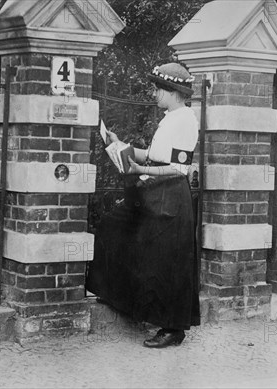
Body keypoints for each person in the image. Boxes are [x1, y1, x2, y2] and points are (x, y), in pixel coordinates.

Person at [86, 63, 200, 348]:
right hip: (154, 190)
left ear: (173, 91)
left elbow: (177, 169)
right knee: (113, 226)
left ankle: (173, 329)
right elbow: (153, 154)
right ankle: (117, 294)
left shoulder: (186, 119)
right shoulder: (170, 117)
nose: (154, 93)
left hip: (171, 195)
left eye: (157, 88)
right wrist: (120, 145)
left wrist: (137, 168)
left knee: (167, 260)